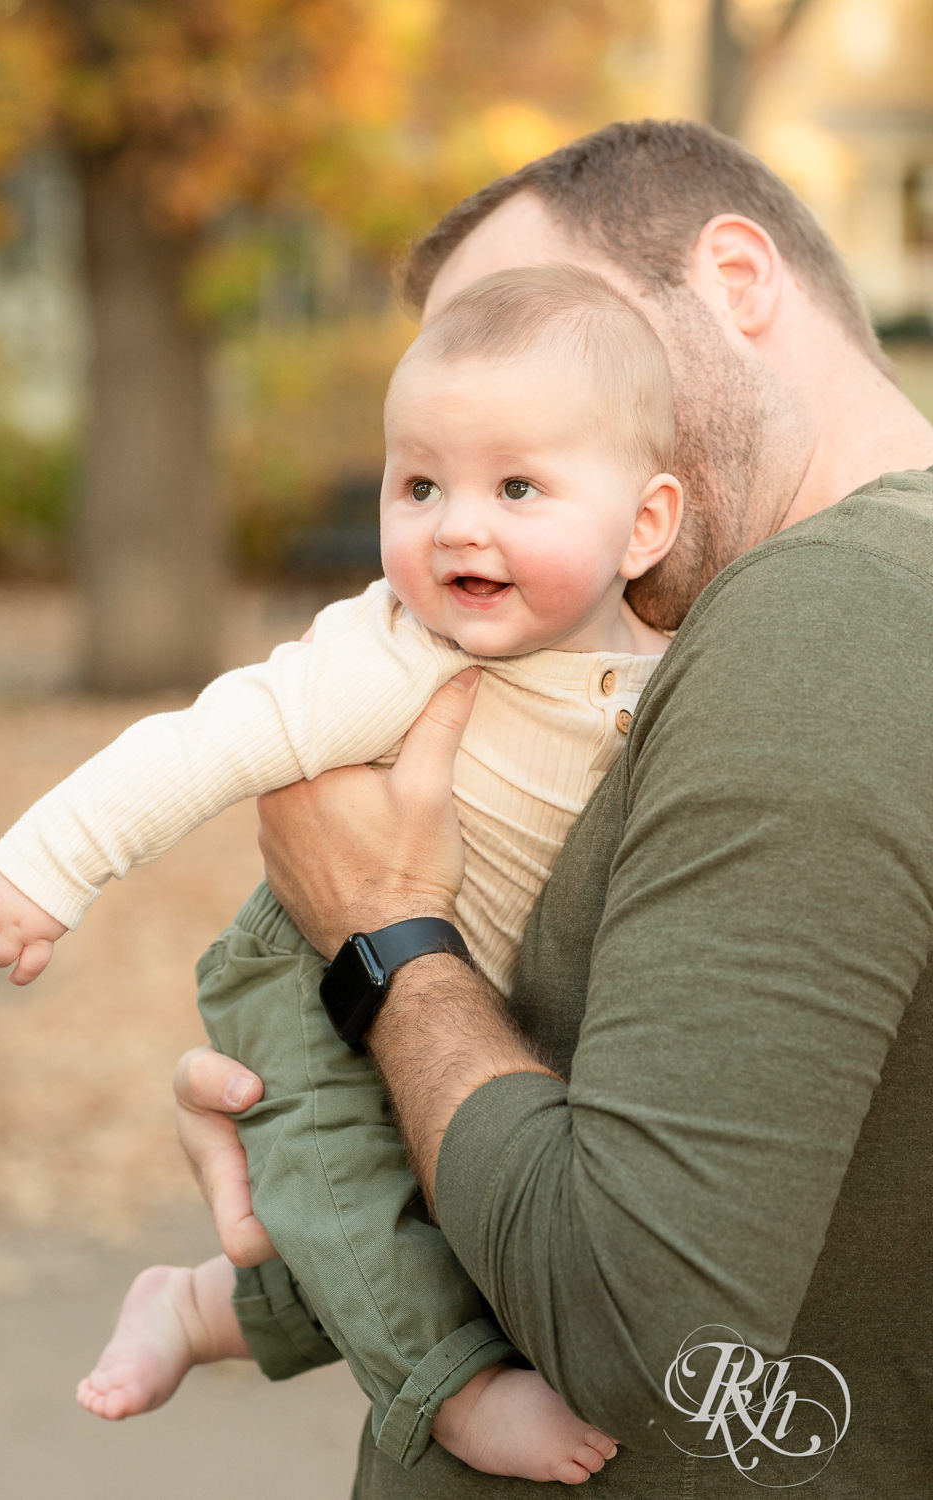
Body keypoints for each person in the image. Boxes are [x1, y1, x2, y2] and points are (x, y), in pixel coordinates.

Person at [173, 118, 933, 1497]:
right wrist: (311, 1083)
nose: (494, 446)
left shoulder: (818, 617)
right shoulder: (757, 651)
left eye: (554, 332)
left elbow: (640, 1333)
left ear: (739, 280)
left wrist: (384, 948)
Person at [0, 264, 686, 1482]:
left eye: (516, 486)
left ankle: (198, 1311)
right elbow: (210, 740)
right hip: (313, 975)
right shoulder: (396, 658)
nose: (457, 524)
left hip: (455, 985)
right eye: (420, 484)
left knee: (429, 1202)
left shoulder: (675, 666)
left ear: (645, 525)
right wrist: (48, 864)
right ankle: (449, 1395)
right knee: (355, 1191)